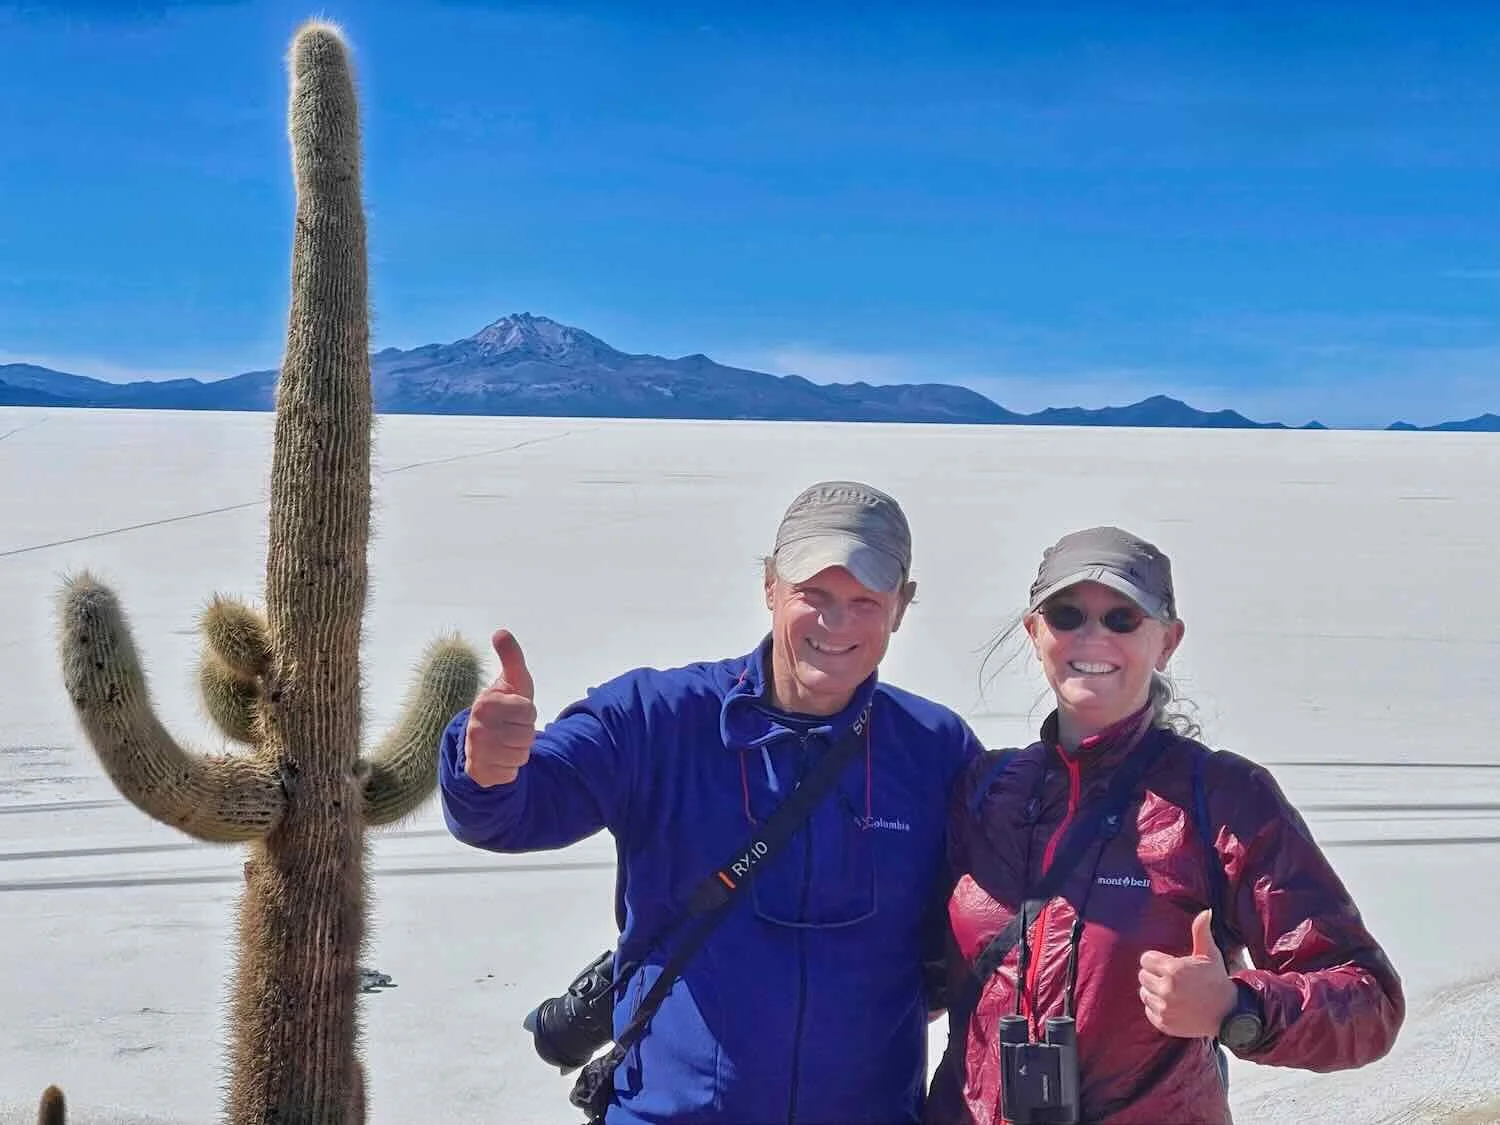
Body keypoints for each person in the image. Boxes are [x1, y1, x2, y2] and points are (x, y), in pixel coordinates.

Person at [438, 480, 984, 1125]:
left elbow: (982, 922)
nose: (837, 624)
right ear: (770, 587)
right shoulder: (657, 719)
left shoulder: (934, 748)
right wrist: (488, 771)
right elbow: (513, 813)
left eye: (865, 601)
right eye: (814, 595)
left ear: (901, 607)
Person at [926, 526, 1405, 1125]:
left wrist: (1235, 1006)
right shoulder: (985, 790)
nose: (1092, 636)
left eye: (1122, 618)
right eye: (1067, 615)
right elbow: (912, 975)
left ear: (1168, 641)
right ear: (1034, 632)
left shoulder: (1222, 798)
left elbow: (1368, 1003)